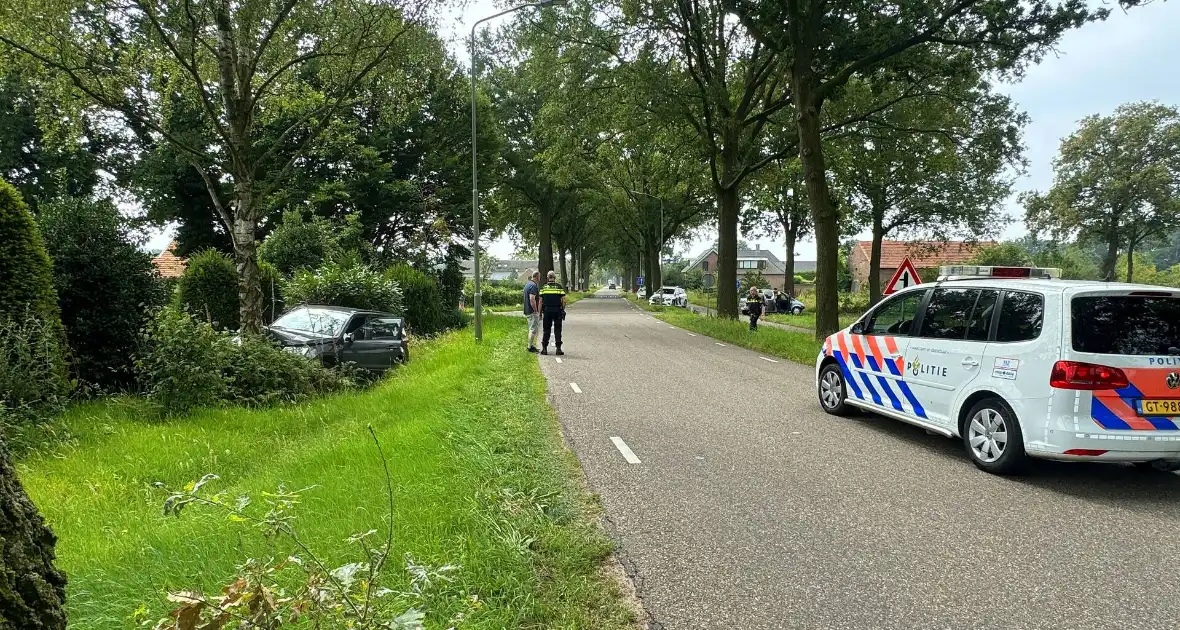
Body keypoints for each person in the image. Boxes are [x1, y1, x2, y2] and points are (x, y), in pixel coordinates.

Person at [539, 270, 567, 355]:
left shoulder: (544, 288)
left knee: (546, 330)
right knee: (558, 329)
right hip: (557, 310)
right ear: (555, 278)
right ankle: (558, 349)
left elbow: (540, 301)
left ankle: (544, 349)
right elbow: (564, 300)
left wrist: (540, 313)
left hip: (547, 311)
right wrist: (562, 309)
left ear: (548, 277)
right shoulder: (559, 287)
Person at [523, 271, 541, 353]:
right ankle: (530, 347)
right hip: (532, 311)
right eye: (539, 277)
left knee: (531, 328)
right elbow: (532, 298)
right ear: (537, 277)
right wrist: (535, 310)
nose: (540, 278)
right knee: (533, 329)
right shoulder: (534, 286)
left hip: (527, 310)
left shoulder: (527, 284)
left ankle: (530, 345)